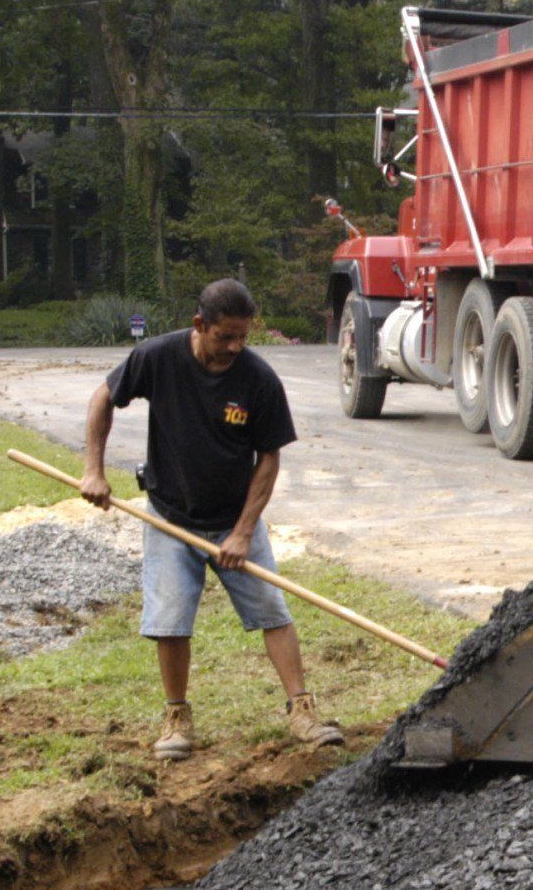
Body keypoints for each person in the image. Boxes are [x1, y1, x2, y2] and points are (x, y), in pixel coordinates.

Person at [80, 278, 341, 761]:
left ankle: (303, 709)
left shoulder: (258, 379)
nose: (235, 347)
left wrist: (243, 532)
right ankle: (177, 716)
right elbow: (103, 397)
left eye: (243, 336)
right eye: (226, 337)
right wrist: (93, 470)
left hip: (232, 520)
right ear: (200, 325)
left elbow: (269, 458)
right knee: (171, 618)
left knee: (272, 610)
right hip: (170, 515)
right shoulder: (156, 358)